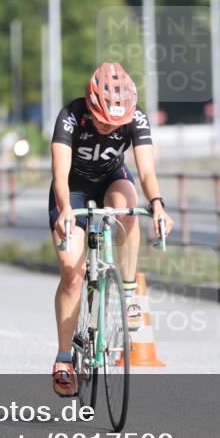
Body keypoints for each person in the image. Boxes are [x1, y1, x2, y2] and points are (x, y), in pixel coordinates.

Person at [49, 62, 173, 397]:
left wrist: (158, 204)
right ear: (91, 107)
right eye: (103, 120)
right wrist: (65, 210)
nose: (109, 127)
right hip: (72, 189)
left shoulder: (136, 117)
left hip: (111, 180)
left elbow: (146, 171)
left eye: (115, 123)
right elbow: (59, 173)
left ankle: (129, 293)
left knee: (128, 207)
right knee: (72, 274)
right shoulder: (70, 116)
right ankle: (64, 359)